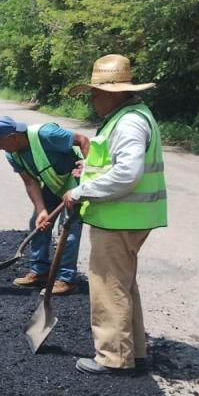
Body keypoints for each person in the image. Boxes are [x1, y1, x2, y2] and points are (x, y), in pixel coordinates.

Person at [61, 54, 167, 376]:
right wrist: (89, 170)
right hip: (128, 218)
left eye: (94, 93)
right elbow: (114, 164)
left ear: (113, 92)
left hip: (121, 219)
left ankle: (113, 358)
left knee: (108, 287)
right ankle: (134, 352)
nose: (92, 99)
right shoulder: (129, 116)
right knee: (123, 284)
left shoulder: (129, 121)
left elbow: (127, 173)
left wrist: (80, 192)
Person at [0, 116, 90, 295]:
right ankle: (40, 271)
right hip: (54, 185)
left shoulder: (46, 134)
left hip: (75, 182)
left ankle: (66, 279)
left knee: (67, 229)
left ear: (13, 136)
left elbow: (82, 140)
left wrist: (89, 170)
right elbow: (30, 183)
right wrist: (42, 210)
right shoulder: (12, 154)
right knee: (38, 222)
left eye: (0, 142)